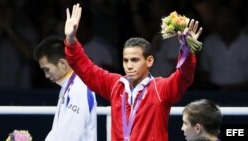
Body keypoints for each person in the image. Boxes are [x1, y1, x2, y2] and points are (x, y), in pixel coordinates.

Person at [64, 3, 202, 141]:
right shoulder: (115, 86)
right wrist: (71, 40)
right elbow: (87, 70)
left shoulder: (160, 89)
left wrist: (187, 52)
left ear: (149, 61)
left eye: (135, 60)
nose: (129, 66)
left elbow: (184, 76)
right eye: (126, 60)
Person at [34, 36, 97, 141]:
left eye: (47, 69)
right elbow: (57, 133)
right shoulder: (67, 87)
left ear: (62, 63)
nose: (46, 76)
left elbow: (71, 136)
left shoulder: (79, 88)